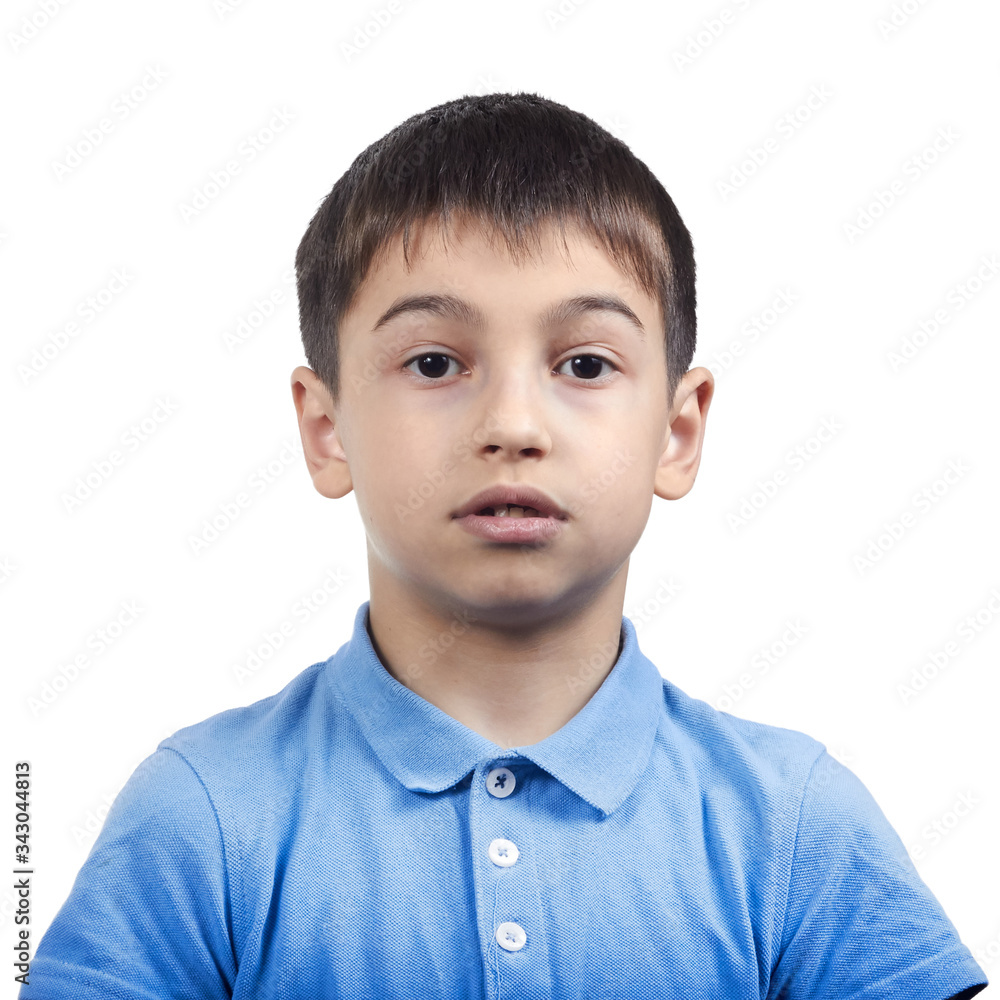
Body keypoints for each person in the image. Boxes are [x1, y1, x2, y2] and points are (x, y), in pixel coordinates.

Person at [20, 92, 988, 999]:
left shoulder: (792, 826)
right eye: (435, 361)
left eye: (584, 363)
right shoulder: (201, 818)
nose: (514, 423)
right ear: (326, 429)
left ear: (677, 430)